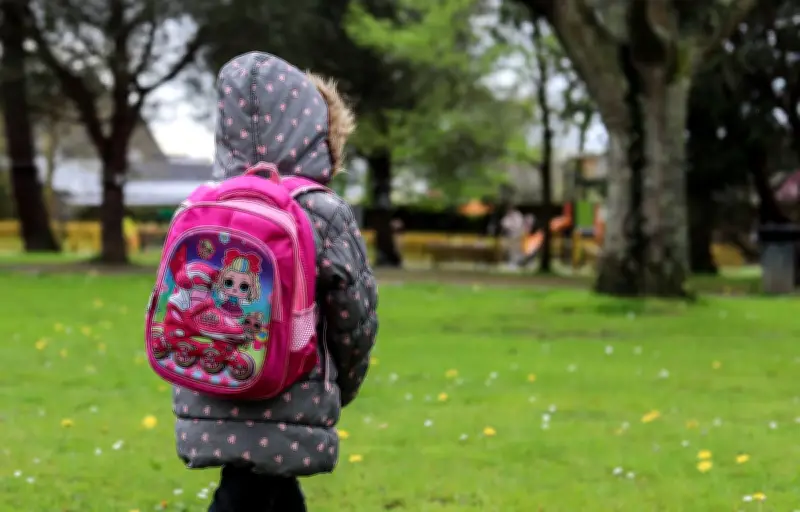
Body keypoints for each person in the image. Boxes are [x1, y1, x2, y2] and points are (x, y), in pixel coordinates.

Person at [171, 51, 379, 512]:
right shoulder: (321, 211)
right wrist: (344, 382)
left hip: (211, 374)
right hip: (293, 384)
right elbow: (354, 314)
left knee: (259, 487)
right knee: (248, 492)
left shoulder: (203, 205)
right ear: (317, 135)